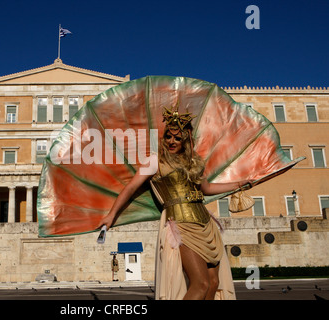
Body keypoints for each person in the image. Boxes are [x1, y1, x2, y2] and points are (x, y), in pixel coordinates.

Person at [101, 107, 254, 300]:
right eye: (168, 137)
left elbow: (206, 189)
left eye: (177, 138)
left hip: (206, 225)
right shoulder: (155, 161)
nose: (172, 141)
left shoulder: (193, 162)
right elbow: (131, 187)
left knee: (214, 283)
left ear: (185, 141)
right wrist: (111, 215)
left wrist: (238, 185)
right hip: (181, 226)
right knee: (201, 284)